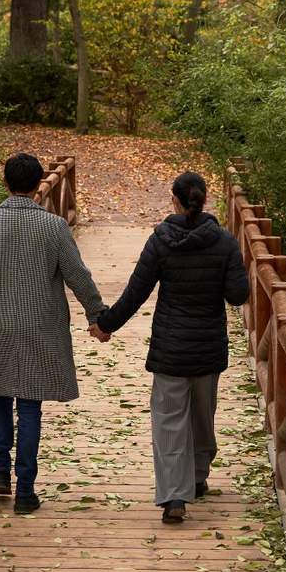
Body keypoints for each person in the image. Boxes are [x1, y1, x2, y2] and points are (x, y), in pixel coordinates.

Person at [0, 153, 108, 514]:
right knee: (31, 405)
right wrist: (98, 316)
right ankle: (25, 490)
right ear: (38, 185)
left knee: (0, 398)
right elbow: (78, 276)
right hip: (40, 325)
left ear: (5, 183)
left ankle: (0, 475)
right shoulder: (54, 227)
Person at [92, 171, 249, 523]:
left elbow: (137, 292)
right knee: (201, 416)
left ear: (174, 201)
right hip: (207, 347)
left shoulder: (161, 240)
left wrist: (105, 324)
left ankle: (175, 497)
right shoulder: (224, 242)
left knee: (170, 422)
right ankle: (196, 476)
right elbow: (238, 295)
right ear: (204, 200)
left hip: (171, 347)